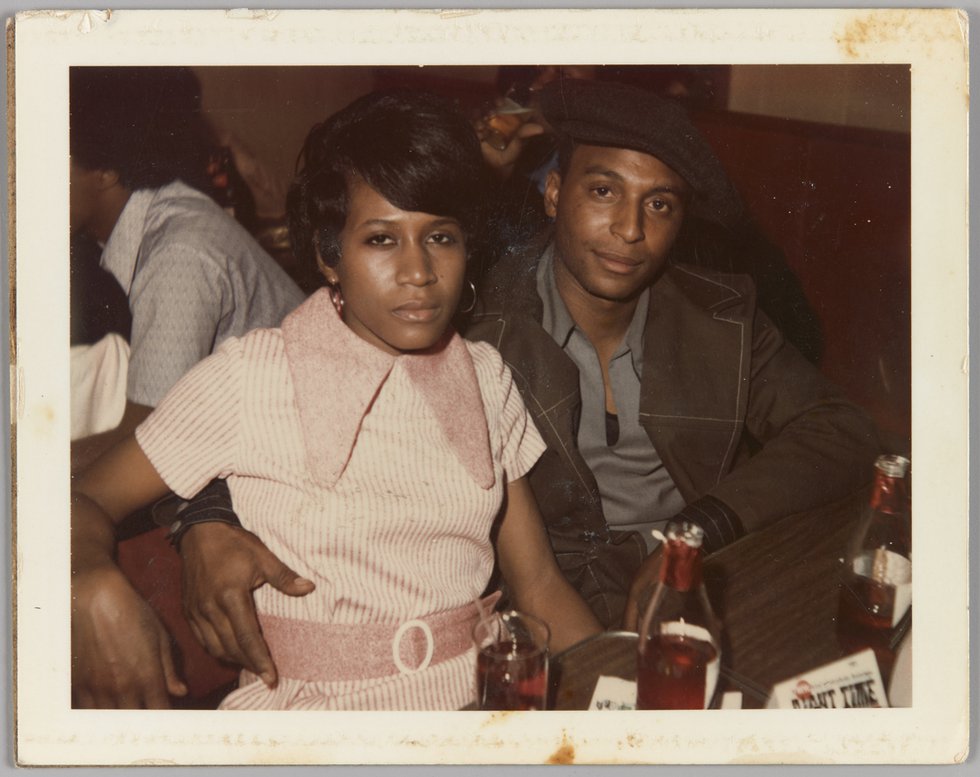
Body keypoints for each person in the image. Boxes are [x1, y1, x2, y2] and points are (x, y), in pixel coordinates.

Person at [70, 89, 602, 710]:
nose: (418, 272)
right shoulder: (253, 375)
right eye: (381, 240)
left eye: (441, 237)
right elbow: (82, 499)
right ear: (329, 256)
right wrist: (85, 579)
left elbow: (538, 587)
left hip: (479, 707)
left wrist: (623, 699)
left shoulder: (485, 375)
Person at [69, 67, 304, 472]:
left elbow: (150, 438)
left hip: (284, 455)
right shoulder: (154, 214)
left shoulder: (178, 254)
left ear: (106, 172)